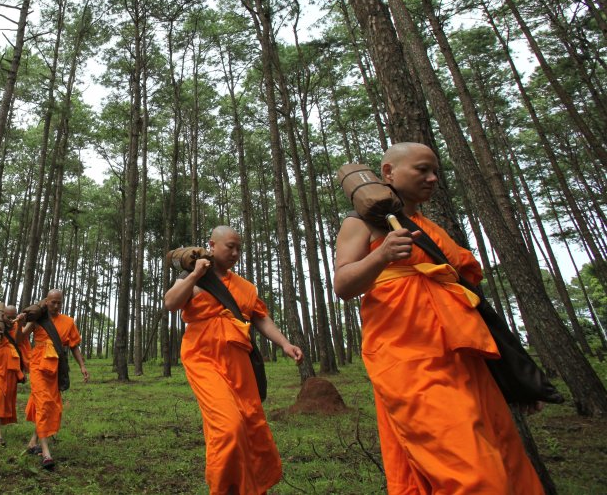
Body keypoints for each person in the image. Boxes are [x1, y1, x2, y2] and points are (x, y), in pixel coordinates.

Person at [334, 142, 543, 494]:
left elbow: (471, 299)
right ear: (388, 172)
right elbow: (343, 285)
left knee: (507, 460)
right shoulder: (360, 223)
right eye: (422, 169)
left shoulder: (434, 231)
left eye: (435, 171)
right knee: (473, 473)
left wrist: (514, 375)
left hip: (466, 359)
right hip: (409, 357)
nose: (433, 178)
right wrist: (382, 256)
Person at [164, 226, 303, 495]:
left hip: (240, 362)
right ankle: (224, 489)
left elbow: (261, 317)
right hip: (203, 357)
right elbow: (171, 303)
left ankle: (252, 488)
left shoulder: (245, 287)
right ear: (212, 245)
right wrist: (195, 275)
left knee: (252, 425)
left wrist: (285, 343)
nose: (236, 253)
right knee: (228, 428)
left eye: (239, 248)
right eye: (230, 247)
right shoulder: (194, 277)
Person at [22, 289, 89, 470]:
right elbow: (20, 337)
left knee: (50, 406)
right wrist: (23, 322)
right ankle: (46, 452)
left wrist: (82, 366)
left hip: (55, 369)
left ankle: (33, 442)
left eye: (59, 302)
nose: (56, 305)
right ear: (46, 301)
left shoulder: (68, 322)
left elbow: (74, 346)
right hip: (37, 366)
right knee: (43, 404)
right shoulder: (38, 319)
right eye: (53, 302)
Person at [0, 305, 28, 446]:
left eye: (13, 317)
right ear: (2, 316)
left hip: (12, 371)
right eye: (8, 317)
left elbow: (22, 347)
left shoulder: (17, 327)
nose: (11, 320)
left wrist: (23, 370)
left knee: (7, 400)